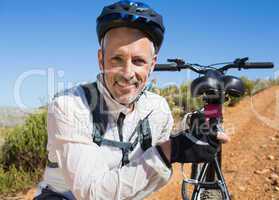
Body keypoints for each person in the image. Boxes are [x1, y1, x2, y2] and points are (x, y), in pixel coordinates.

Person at [34, 1, 229, 199]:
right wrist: (172, 149)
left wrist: (192, 132)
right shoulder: (70, 106)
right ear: (101, 60)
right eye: (116, 59)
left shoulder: (157, 108)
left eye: (138, 61)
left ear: (152, 65)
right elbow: (92, 194)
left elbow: (158, 170)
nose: (127, 74)